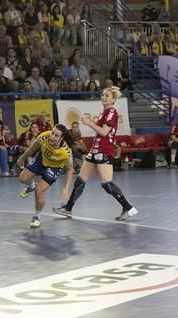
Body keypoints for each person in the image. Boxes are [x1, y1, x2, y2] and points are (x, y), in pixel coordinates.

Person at [52, 87, 138, 221]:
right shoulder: (105, 112)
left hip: (103, 151)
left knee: (106, 184)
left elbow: (104, 132)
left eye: (107, 95)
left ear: (113, 99)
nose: (103, 97)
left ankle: (128, 207)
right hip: (95, 150)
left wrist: (89, 122)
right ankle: (68, 208)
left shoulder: (111, 112)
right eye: (103, 95)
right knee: (80, 181)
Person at [16, 124, 75, 229]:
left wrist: (66, 188)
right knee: (22, 179)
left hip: (54, 167)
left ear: (61, 138)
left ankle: (36, 216)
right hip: (41, 159)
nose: (52, 136)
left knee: (40, 191)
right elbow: (32, 149)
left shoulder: (66, 152)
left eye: (56, 136)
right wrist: (22, 158)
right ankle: (31, 185)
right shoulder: (44, 136)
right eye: (52, 133)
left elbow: (70, 169)